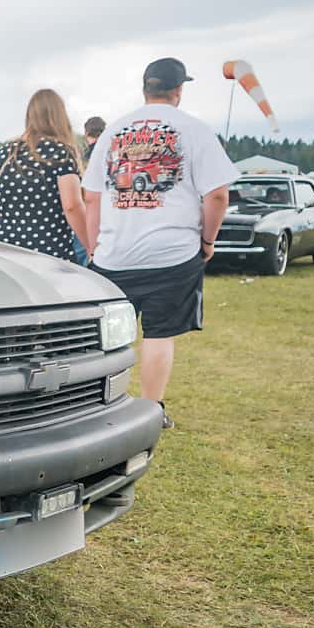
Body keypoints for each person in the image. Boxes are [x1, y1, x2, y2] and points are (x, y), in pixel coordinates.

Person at [80, 58, 237, 430]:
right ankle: (150, 410)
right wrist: (208, 241)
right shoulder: (195, 129)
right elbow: (217, 196)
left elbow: (92, 197)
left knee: (107, 339)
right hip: (173, 253)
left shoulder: (113, 130)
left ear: (144, 90)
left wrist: (92, 247)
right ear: (178, 91)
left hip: (113, 253)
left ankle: (94, 407)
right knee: (159, 334)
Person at [0, 88, 87, 263]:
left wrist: (14, 217)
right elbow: (72, 206)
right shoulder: (60, 153)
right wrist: (90, 247)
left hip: (6, 250)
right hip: (50, 252)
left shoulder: (4, 153)